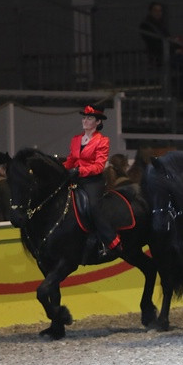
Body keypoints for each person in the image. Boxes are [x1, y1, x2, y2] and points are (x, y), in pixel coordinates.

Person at [63, 105, 118, 256]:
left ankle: (109, 240)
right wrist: (60, 169)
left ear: (98, 122)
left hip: (93, 181)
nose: (85, 121)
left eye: (89, 118)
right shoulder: (76, 139)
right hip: (76, 178)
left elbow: (99, 166)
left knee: (93, 206)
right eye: (84, 117)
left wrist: (80, 170)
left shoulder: (102, 141)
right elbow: (70, 160)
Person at [139, 1, 170, 68]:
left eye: (160, 11)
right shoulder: (146, 25)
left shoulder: (161, 24)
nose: (158, 13)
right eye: (155, 10)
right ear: (150, 12)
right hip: (159, 54)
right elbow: (155, 43)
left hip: (165, 51)